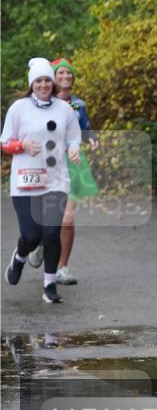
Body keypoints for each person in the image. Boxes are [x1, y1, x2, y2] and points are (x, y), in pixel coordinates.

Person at [2, 58, 81, 303]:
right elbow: (4, 143)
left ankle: (49, 285)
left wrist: (73, 149)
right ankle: (20, 258)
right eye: (39, 81)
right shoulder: (19, 108)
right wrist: (21, 145)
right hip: (25, 181)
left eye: (47, 80)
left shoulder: (65, 109)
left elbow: (73, 137)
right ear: (32, 84)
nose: (44, 85)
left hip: (56, 179)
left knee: (51, 232)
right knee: (31, 235)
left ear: (53, 83)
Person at [25, 58, 99, 285]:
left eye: (70, 74)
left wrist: (92, 138)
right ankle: (38, 244)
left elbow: (85, 129)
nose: (66, 77)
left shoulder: (79, 105)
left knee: (67, 218)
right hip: (46, 161)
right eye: (61, 73)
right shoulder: (40, 104)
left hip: (74, 163)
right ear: (51, 79)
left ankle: (62, 267)